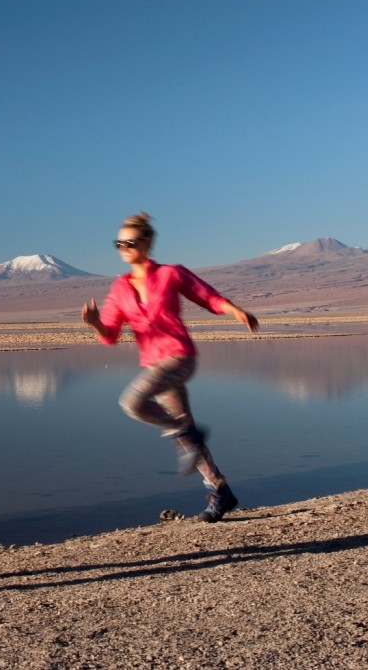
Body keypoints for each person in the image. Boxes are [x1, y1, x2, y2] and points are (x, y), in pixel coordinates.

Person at [82, 212, 258, 522]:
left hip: (179, 357)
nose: (123, 247)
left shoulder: (170, 274)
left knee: (133, 403)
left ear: (147, 242)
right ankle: (221, 491)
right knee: (186, 434)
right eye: (118, 243)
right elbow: (110, 334)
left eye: (129, 242)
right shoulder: (120, 289)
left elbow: (207, 296)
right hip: (155, 363)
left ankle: (186, 433)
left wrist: (235, 310)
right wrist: (96, 322)